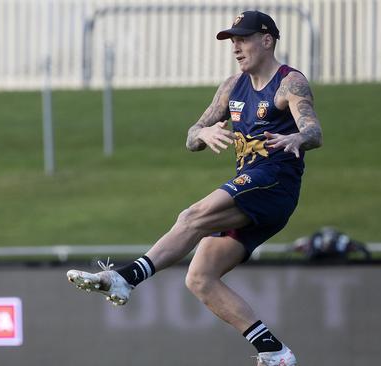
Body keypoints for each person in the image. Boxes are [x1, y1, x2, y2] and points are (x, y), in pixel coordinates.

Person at [66, 10, 322, 366]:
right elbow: (191, 136)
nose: (236, 46)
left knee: (192, 216)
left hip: (273, 182)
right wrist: (203, 132)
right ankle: (274, 351)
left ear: (267, 40)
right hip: (253, 193)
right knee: (200, 277)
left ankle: (125, 278)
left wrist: (297, 136)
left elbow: (314, 132)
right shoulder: (232, 86)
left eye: (243, 38)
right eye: (232, 40)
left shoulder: (289, 83)